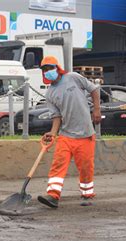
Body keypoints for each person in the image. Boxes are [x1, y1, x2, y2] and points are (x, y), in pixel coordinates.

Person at [37, 56, 101, 208]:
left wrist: (97, 109)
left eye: (50, 68)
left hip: (85, 134)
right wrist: (53, 133)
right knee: (58, 164)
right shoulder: (50, 94)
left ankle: (87, 194)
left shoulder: (73, 77)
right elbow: (56, 116)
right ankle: (53, 196)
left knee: (85, 167)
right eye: (44, 70)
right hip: (66, 135)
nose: (47, 72)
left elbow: (94, 89)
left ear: (57, 68)